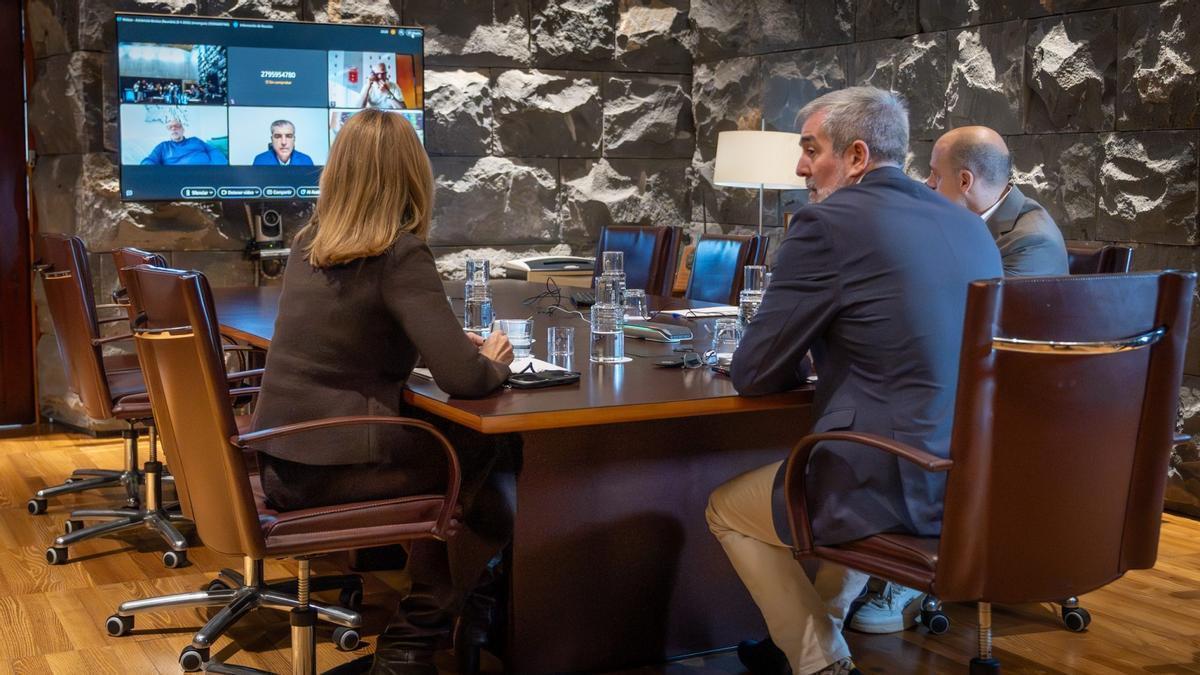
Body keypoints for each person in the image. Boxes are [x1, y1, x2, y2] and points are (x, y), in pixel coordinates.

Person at [704, 86, 1002, 675]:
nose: (799, 166)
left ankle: (821, 661)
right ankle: (811, 631)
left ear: (858, 156)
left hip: (890, 479)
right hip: (973, 477)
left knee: (726, 509)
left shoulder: (824, 224)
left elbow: (755, 374)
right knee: (843, 455)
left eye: (811, 149)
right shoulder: (970, 225)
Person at [249, 108, 515, 675]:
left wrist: (434, 341)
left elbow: (353, 336)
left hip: (284, 463)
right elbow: (465, 381)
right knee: (489, 450)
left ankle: (453, 617)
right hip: (335, 470)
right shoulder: (399, 254)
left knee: (457, 458)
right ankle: (425, 633)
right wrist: (490, 360)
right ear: (410, 176)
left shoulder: (308, 245)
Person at [927, 126, 1069, 277]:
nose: (929, 183)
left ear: (964, 181)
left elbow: (967, 297)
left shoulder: (1032, 243)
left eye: (936, 175)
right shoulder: (964, 218)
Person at [140, 116, 227, 165]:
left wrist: (216, 168)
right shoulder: (163, 146)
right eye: (170, 127)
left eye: (177, 126)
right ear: (168, 131)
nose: (173, 129)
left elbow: (212, 150)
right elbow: (149, 161)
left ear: (183, 130)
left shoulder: (195, 140)